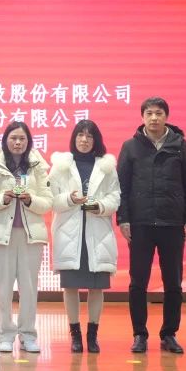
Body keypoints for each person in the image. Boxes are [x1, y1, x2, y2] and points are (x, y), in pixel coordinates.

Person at [117, 97, 186, 355]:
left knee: (173, 282)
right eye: (149, 113)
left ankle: (169, 334)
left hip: (172, 223)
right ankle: (139, 334)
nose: (154, 118)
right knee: (137, 282)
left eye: (159, 113)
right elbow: (122, 188)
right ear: (142, 117)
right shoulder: (130, 146)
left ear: (166, 116)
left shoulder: (180, 145)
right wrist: (123, 218)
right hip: (140, 224)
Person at [0, 122, 52, 353]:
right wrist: (3, 198)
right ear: (5, 140)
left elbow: (48, 202)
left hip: (31, 236)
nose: (18, 143)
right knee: (3, 288)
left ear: (28, 141)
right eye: (13, 138)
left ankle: (28, 335)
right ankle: (5, 335)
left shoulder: (38, 167)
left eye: (22, 138)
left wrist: (30, 200)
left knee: (29, 287)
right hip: (1, 235)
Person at [49, 119, 120, 354]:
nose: (84, 140)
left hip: (97, 234)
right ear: (74, 138)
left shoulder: (106, 166)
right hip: (70, 233)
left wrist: (100, 206)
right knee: (70, 287)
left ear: (96, 140)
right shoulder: (61, 166)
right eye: (80, 135)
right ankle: (75, 335)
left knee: (96, 287)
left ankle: (92, 335)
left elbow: (115, 196)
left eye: (89, 136)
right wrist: (69, 199)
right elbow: (51, 199)